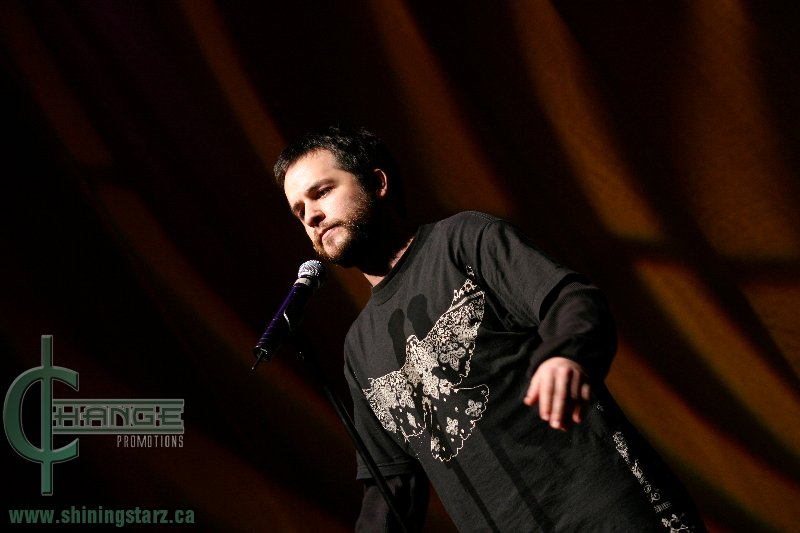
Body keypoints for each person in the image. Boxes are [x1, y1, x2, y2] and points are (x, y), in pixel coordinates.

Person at [274, 125, 707, 532]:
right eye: (299, 210)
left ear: (378, 183)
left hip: (609, 513)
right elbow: (391, 487)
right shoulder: (359, 349)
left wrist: (566, 354)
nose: (312, 215)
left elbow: (571, 300)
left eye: (322, 192)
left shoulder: (464, 241)